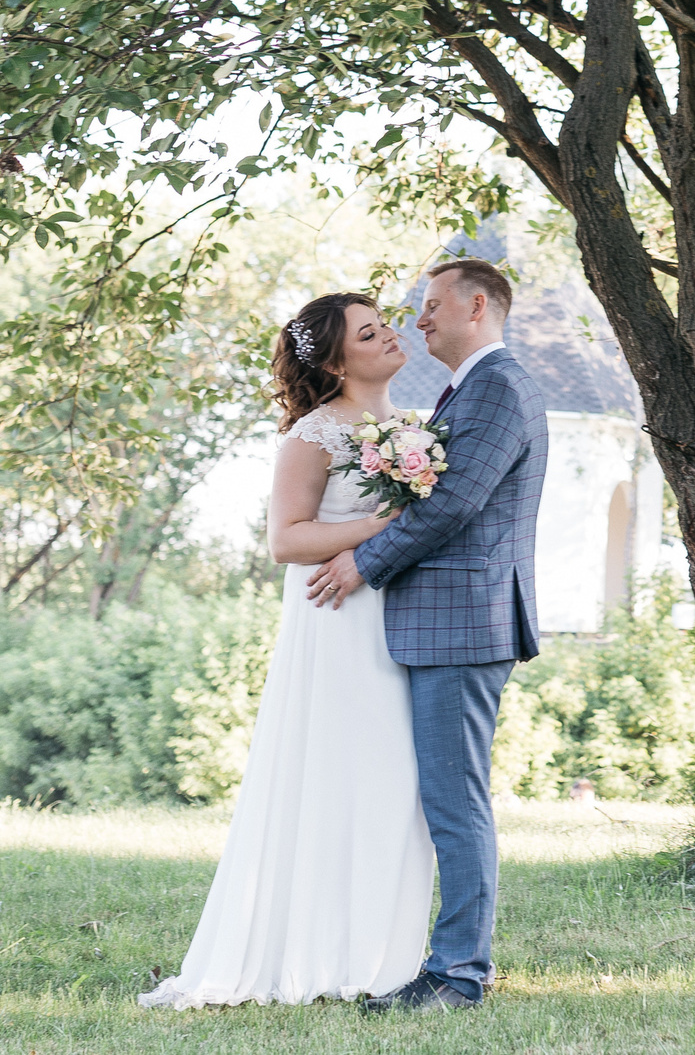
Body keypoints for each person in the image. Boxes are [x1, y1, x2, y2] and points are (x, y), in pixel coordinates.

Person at [137, 292, 434, 1008]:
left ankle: (379, 956)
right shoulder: (315, 433)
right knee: (337, 777)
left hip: (403, 621)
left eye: (384, 322)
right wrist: (377, 524)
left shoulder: (416, 427)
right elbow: (286, 540)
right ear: (335, 361)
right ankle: (309, 953)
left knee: (396, 788)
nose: (390, 334)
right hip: (337, 623)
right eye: (370, 332)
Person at [302, 257, 547, 1015]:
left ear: (477, 304)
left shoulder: (498, 387)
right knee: (445, 795)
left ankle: (459, 975)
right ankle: (442, 961)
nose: (420, 318)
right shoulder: (464, 389)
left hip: (464, 623)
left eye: (431, 304)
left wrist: (360, 564)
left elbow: (454, 506)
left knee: (454, 798)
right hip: (446, 621)